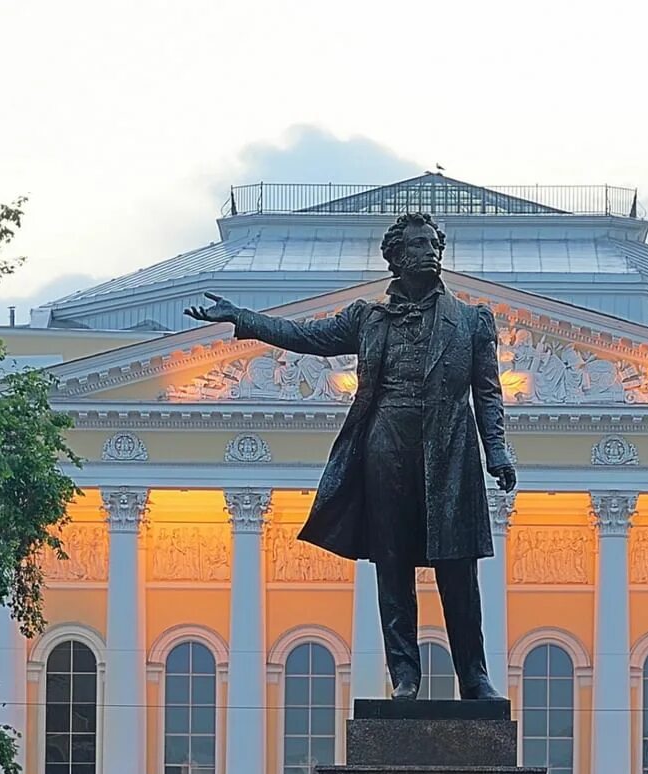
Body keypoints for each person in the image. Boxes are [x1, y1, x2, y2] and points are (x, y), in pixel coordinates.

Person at [184, 213, 518, 700]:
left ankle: (474, 677)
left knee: (459, 569)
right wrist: (244, 319)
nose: (432, 252)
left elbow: (487, 393)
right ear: (398, 258)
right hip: (387, 447)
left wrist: (498, 451)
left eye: (434, 244)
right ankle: (405, 676)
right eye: (420, 245)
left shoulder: (470, 321)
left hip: (449, 449)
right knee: (393, 565)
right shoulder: (368, 319)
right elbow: (308, 338)